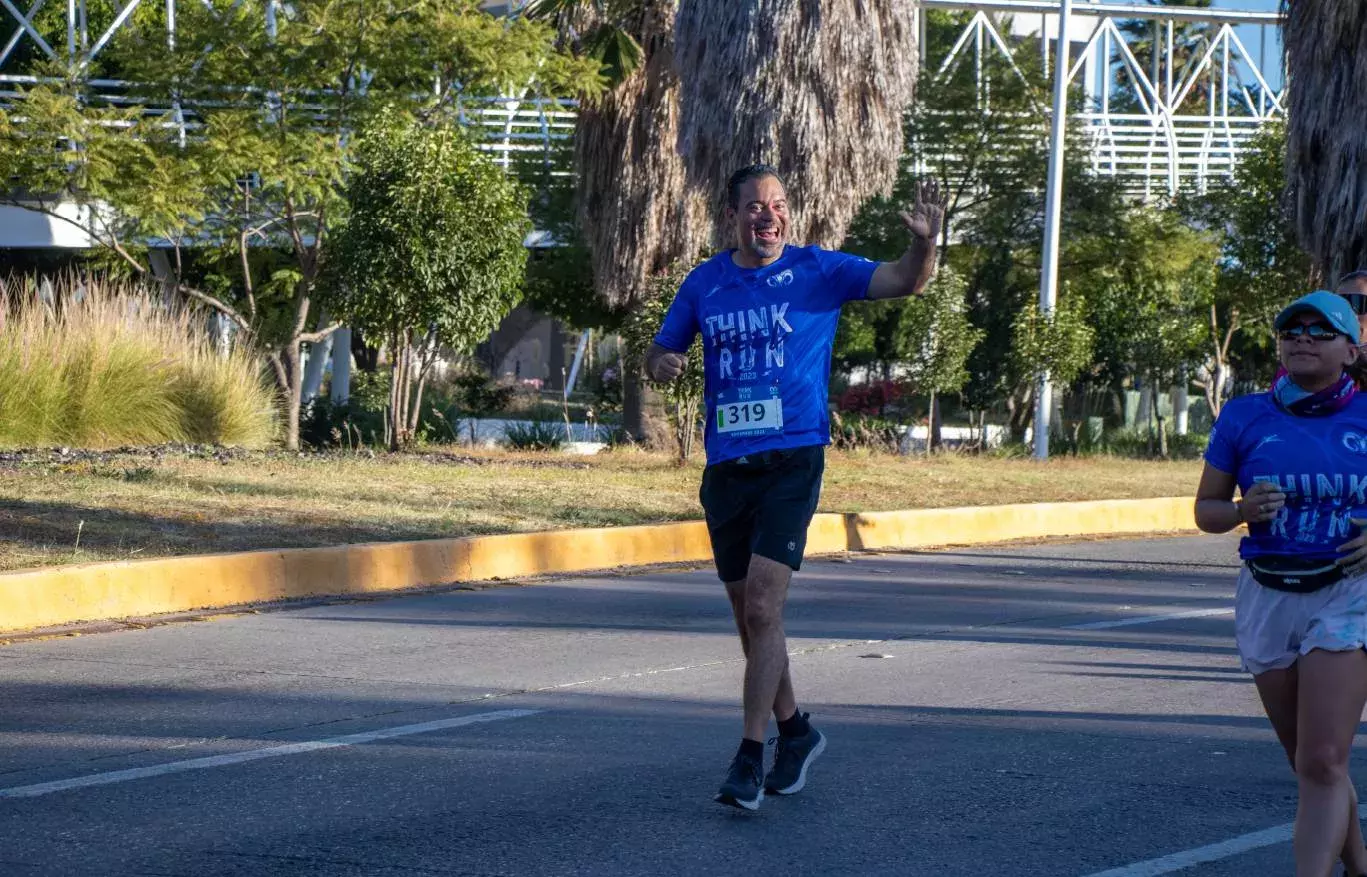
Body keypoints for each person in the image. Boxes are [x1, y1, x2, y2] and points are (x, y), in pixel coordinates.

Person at [645, 164, 946, 810]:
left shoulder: (817, 271)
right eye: (755, 205)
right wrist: (663, 361)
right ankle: (795, 730)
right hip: (726, 469)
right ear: (733, 217)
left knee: (761, 607)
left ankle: (749, 758)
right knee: (749, 619)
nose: (768, 215)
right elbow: (658, 351)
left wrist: (923, 244)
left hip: (791, 459)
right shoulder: (705, 283)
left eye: (778, 205)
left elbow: (903, 280)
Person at [1195, 290, 1367, 876]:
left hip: (1350, 591)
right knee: (1310, 761)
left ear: (1351, 348)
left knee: (1323, 758)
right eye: (1292, 329)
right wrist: (1243, 510)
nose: (1303, 338)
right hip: (1268, 590)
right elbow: (1205, 511)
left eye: (1321, 331)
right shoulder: (1244, 415)